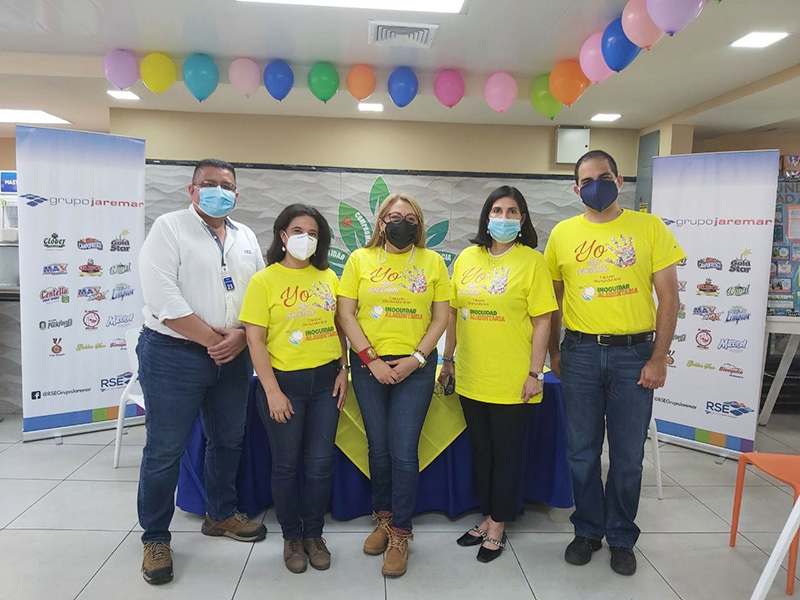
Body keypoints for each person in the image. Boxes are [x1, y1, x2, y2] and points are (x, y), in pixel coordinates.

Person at [545, 150, 685, 576]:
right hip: (581, 353)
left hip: (634, 355)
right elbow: (552, 303)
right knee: (581, 453)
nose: (596, 186)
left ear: (619, 180)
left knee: (626, 458)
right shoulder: (562, 234)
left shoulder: (650, 227)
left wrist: (658, 357)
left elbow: (670, 298)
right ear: (576, 190)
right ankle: (588, 530)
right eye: (587, 181)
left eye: (604, 177)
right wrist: (555, 352)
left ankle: (622, 536)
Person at [137, 158, 267, 585]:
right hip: (174, 353)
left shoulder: (246, 236)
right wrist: (216, 341)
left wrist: (242, 336)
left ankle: (221, 513)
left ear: (236, 193)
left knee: (227, 439)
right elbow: (163, 298)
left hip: (233, 354)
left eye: (226, 185)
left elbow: (260, 295)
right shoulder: (169, 228)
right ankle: (156, 538)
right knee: (165, 449)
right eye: (209, 184)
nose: (219, 191)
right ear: (192, 190)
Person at [439, 186, 556, 563]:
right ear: (486, 216)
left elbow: (543, 321)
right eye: (497, 210)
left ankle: (498, 525)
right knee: (482, 453)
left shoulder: (533, 262)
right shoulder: (467, 258)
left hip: (513, 379)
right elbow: (452, 313)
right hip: (472, 376)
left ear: (522, 219)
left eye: (512, 212)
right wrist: (448, 359)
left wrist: (535, 372)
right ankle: (487, 516)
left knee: (507, 455)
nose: (503, 218)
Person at [337, 193, 451, 577]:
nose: (401, 223)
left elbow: (441, 318)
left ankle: (401, 533)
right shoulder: (359, 259)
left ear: (419, 224)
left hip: (415, 367)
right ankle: (383, 520)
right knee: (378, 448)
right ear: (381, 222)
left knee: (403, 451)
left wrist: (416, 359)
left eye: (410, 218)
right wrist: (370, 359)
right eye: (394, 216)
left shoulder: (433, 262)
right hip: (368, 364)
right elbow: (346, 314)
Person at [239, 204, 349, 574]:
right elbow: (255, 340)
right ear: (283, 235)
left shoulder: (329, 277)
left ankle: (314, 534)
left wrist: (344, 369)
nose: (306, 239)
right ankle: (291, 536)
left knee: (320, 464)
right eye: (298, 231)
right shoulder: (264, 281)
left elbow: (340, 327)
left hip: (326, 383)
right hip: (284, 384)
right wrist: (272, 391)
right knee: (286, 465)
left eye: (313, 234)